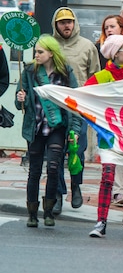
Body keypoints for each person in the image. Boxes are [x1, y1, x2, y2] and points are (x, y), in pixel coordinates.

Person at [85, 35, 123, 237]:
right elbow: (83, 98)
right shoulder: (102, 77)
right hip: (109, 134)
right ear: (115, 53)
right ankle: (101, 221)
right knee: (107, 176)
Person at [16, 35, 82, 228]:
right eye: (35, 51)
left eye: (40, 52)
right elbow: (20, 102)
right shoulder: (29, 71)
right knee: (34, 170)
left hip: (57, 128)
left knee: (53, 168)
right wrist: (21, 97)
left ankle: (49, 212)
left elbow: (75, 104)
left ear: (51, 54)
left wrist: (75, 130)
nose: (36, 54)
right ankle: (32, 214)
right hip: (35, 128)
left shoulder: (65, 73)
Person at [52, 7, 100, 212]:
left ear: (75, 23)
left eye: (70, 21)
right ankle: (57, 195)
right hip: (54, 109)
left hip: (78, 110)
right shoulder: (50, 46)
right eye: (62, 22)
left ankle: (76, 186)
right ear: (56, 25)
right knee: (55, 153)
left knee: (76, 151)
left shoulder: (87, 47)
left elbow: (95, 77)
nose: (66, 25)